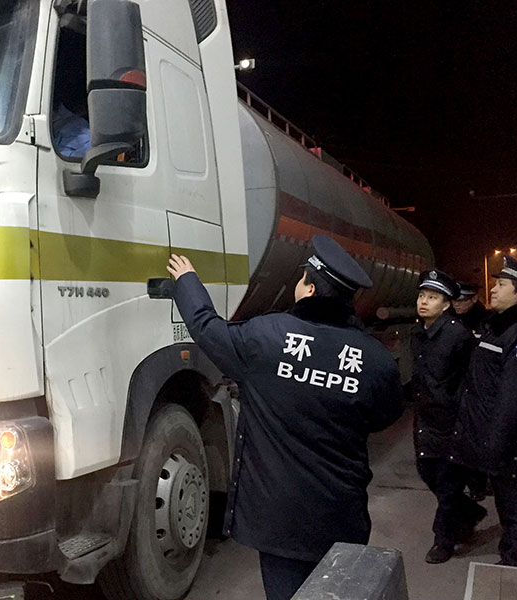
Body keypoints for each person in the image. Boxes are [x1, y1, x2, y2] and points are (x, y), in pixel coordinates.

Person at [166, 235, 403, 600]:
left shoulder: (266, 337)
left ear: (309, 289)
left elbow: (207, 327)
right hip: (341, 515)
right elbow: (385, 415)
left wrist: (187, 281)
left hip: (281, 523)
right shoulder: (375, 360)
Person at [450, 255, 517, 567]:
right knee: (508, 500)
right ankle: (515, 552)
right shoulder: (498, 327)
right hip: (498, 435)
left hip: (514, 439)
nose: (493, 290)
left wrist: (494, 444)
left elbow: (514, 397)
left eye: (502, 285)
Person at [411, 269, 485, 564]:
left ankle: (444, 541)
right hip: (425, 421)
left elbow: (471, 381)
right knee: (427, 473)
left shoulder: (457, 335)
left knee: (447, 484)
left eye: (432, 297)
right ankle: (471, 512)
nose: (424, 301)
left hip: (451, 423)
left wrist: (466, 421)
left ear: (446, 304)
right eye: (422, 295)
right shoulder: (419, 333)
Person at [452, 280, 491, 502]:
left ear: (474, 299)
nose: (457, 304)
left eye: (462, 300)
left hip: (479, 389)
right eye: (454, 300)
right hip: (458, 388)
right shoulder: (451, 320)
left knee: (478, 438)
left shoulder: (486, 322)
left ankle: (479, 483)